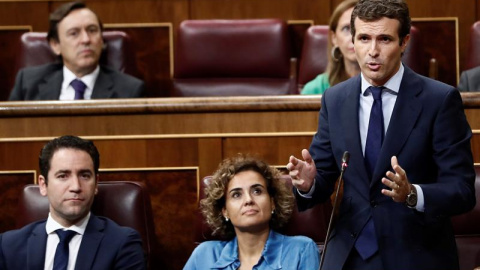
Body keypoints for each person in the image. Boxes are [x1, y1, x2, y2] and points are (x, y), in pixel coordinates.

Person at [287, 0, 476, 269]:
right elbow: (326, 176)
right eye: (364, 38)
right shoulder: (335, 99)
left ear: (404, 42)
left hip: (415, 252)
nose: (373, 51)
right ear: (353, 41)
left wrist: (412, 193)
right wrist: (308, 185)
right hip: (350, 253)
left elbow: (462, 191)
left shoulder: (439, 100)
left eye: (384, 39)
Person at [0, 135, 145, 269]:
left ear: (96, 184)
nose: (76, 187)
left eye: (84, 175)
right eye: (63, 176)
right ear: (43, 185)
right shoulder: (8, 246)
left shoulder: (122, 243)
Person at [184, 155, 320, 270]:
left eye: (257, 191)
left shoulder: (301, 250)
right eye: (236, 195)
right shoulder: (204, 254)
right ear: (225, 211)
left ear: (272, 203)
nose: (248, 200)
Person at [9, 1, 145, 101]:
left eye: (92, 30)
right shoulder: (27, 83)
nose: (86, 40)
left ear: (101, 39)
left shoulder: (130, 90)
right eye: (74, 33)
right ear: (56, 45)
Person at [301, 0, 360, 95]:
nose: (354, 38)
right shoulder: (315, 89)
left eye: (361, 28)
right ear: (334, 38)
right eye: (346, 28)